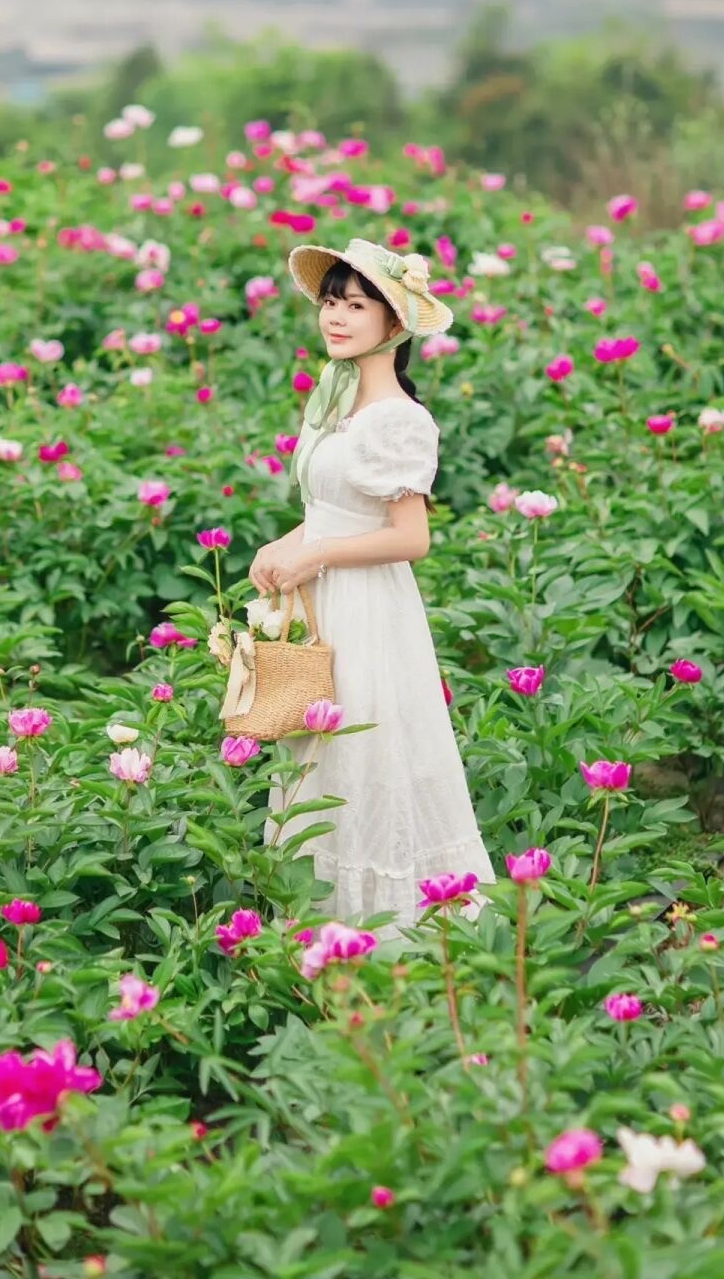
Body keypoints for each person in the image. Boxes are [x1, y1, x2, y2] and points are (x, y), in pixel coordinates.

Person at [248, 237, 496, 939]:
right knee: (320, 761)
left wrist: (318, 554)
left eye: (356, 304)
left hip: (368, 612)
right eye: (331, 300)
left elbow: (410, 538)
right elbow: (326, 512)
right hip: (324, 598)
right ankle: (318, 935)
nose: (335, 316)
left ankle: (394, 939)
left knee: (367, 755)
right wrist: (284, 549)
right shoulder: (335, 405)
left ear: (394, 325)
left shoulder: (398, 420)